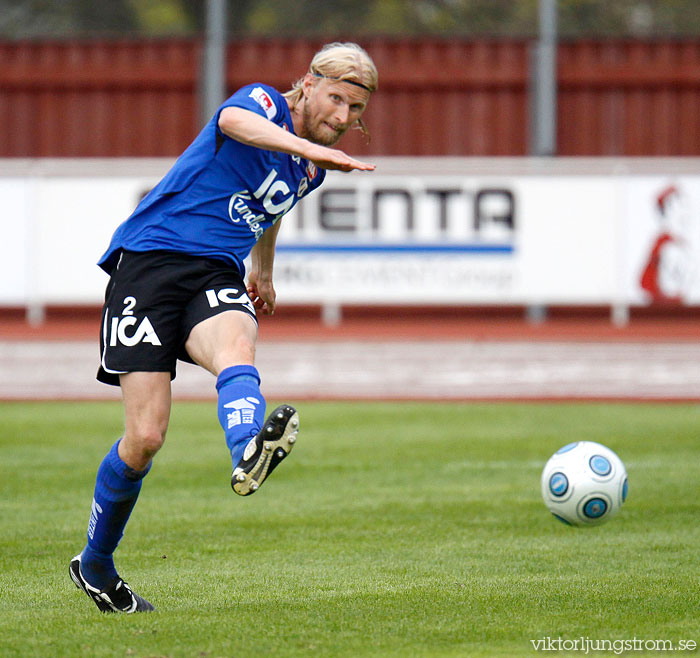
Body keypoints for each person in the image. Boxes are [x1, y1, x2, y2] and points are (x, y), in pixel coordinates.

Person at [69, 42, 378, 613]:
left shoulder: (310, 165)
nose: (343, 117)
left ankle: (247, 453)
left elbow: (271, 206)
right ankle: (95, 565)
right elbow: (232, 122)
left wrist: (263, 267)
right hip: (150, 261)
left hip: (216, 269)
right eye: (336, 99)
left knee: (239, 343)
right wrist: (305, 144)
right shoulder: (264, 102)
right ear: (308, 85)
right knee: (145, 437)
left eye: (355, 110)